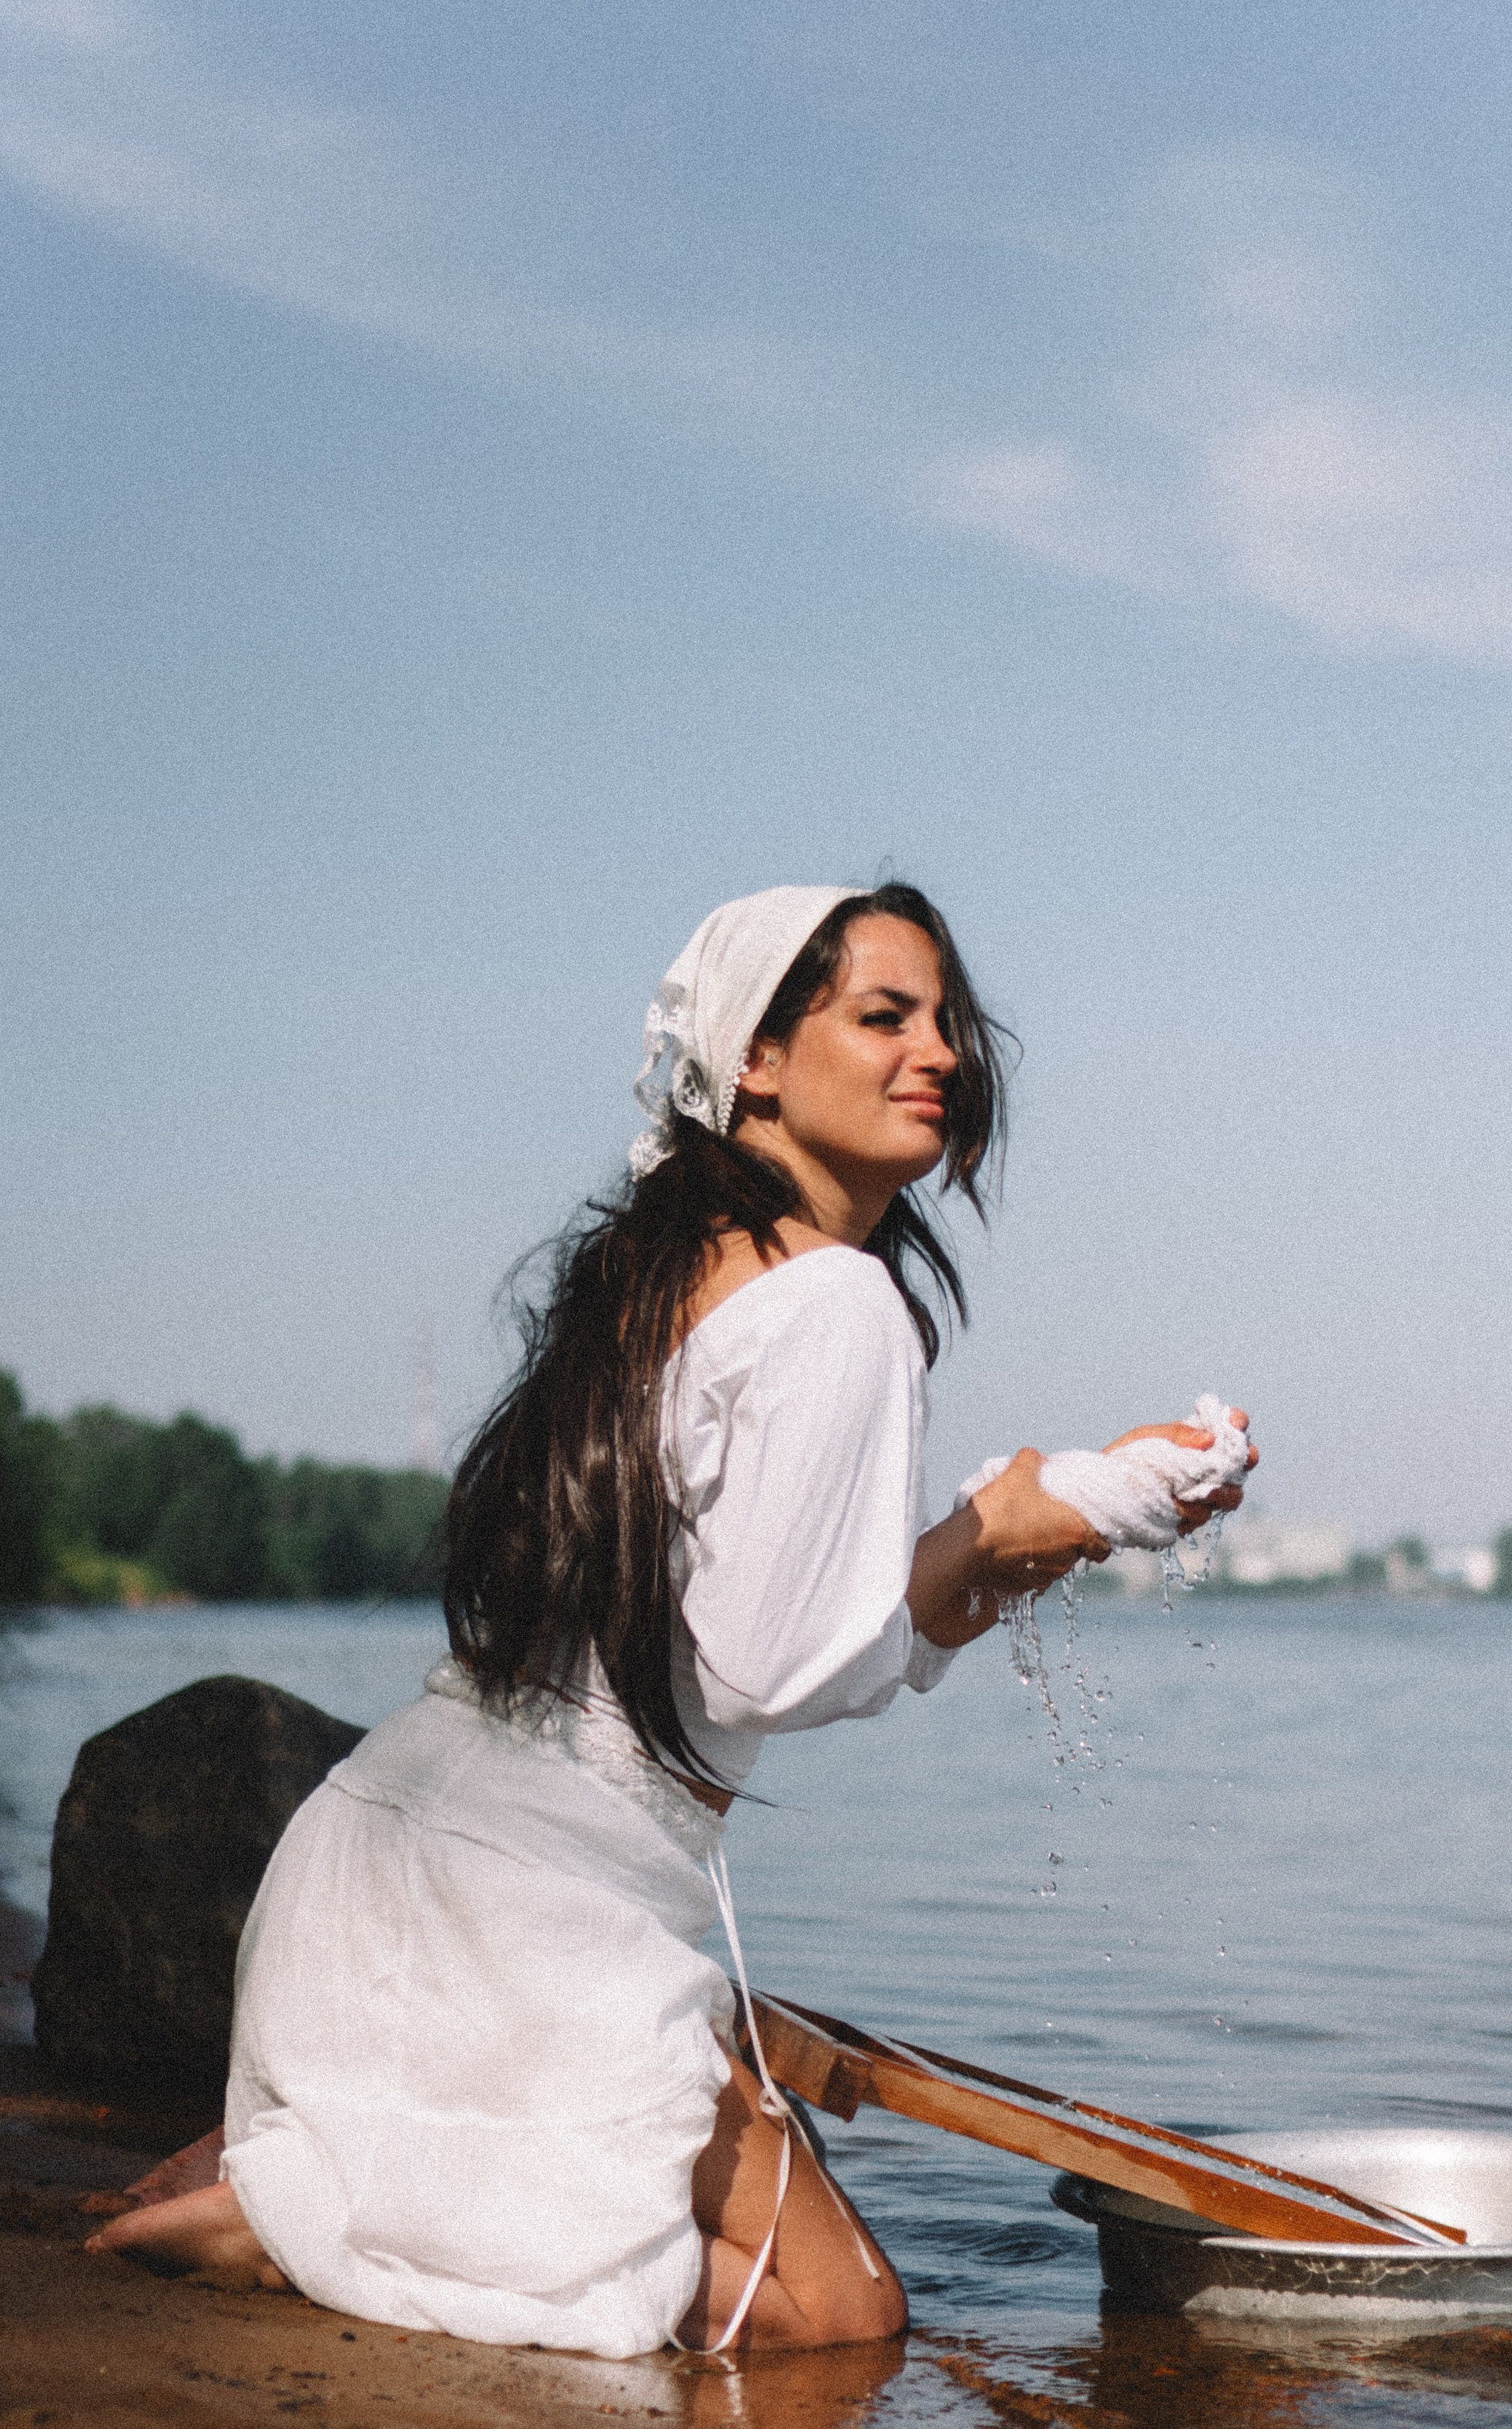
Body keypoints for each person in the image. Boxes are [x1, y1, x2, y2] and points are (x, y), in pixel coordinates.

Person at [88, 883, 1252, 2354]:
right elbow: (775, 1668)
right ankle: (309, 2217)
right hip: (530, 1926)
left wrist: (1056, 1515)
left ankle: (344, 2181)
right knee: (837, 2319)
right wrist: (1013, 1524)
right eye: (884, 1017)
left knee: (751, 2274)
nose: (938, 1052)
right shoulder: (837, 1304)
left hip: (373, 1868)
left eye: (946, 1022)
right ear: (756, 1060)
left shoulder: (666, 1269)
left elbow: (760, 1628)